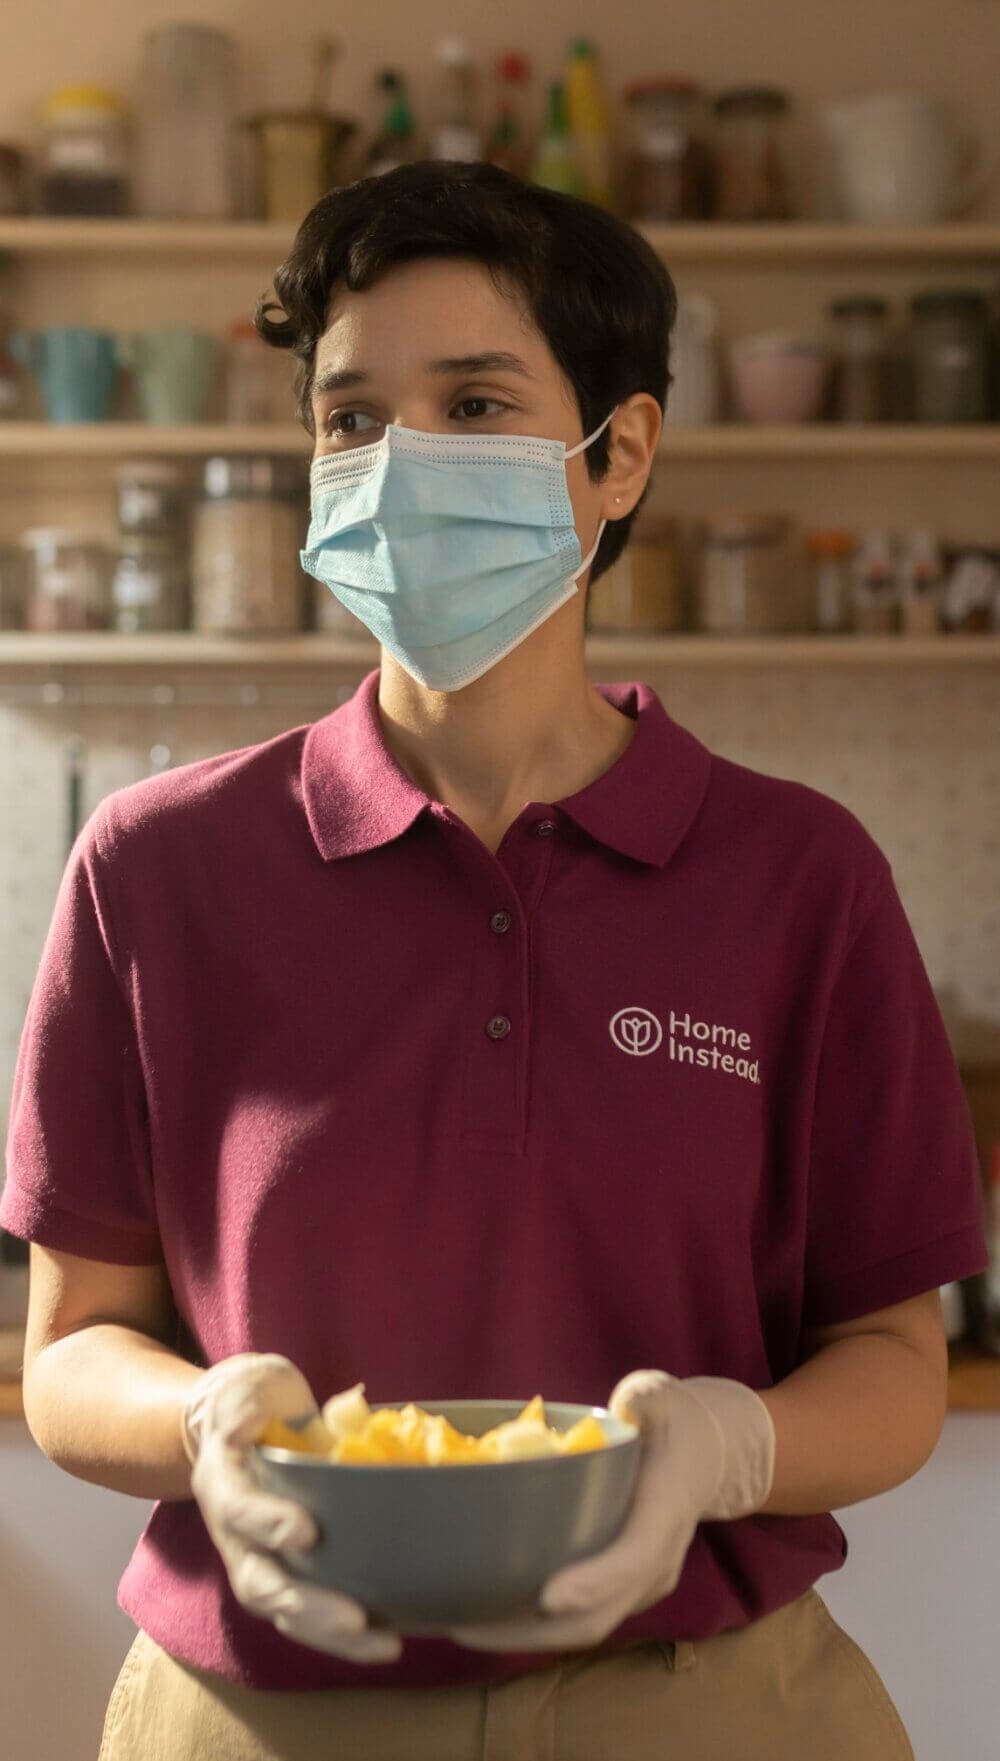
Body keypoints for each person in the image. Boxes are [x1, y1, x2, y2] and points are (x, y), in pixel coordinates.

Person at [1, 162, 987, 1761]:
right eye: (351, 418)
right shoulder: (157, 868)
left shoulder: (802, 879)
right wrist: (198, 1422)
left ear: (621, 454)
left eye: (474, 401)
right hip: (258, 1705)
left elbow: (891, 1358)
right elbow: (68, 1352)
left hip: (708, 1707)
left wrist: (726, 1449)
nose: (399, 466)